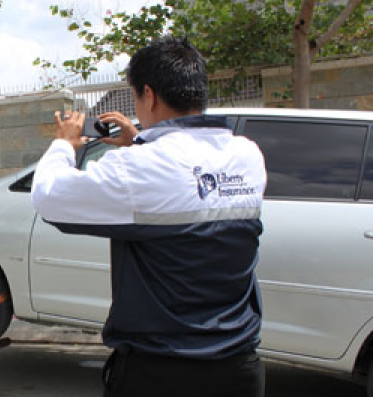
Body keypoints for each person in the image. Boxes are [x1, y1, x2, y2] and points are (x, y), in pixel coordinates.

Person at [31, 36, 267, 397]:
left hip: (162, 372)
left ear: (149, 95)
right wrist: (142, 140)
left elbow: (49, 196)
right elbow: (184, 179)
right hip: (240, 369)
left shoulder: (138, 168)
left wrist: (64, 143)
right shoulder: (247, 155)